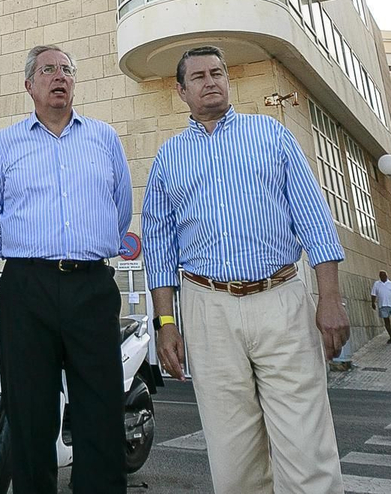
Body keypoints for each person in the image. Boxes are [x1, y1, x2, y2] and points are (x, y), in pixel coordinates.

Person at [142, 46, 348, 494]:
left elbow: (314, 219)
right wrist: (165, 323)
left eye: (217, 72)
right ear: (181, 90)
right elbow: (158, 248)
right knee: (233, 456)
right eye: (198, 76)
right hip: (207, 307)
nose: (210, 81)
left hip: (282, 300)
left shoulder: (270, 135)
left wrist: (330, 298)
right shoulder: (168, 159)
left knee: (306, 446)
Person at [0, 45, 132, 494]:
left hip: (91, 286)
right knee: (29, 415)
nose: (59, 76)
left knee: (100, 412)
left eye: (66, 69)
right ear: (30, 85)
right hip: (27, 289)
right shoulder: (7, 142)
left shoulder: (103, 137)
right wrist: (26, 250)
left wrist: (86, 246)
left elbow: (119, 211)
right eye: (48, 70)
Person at [369, 270, 391, 343]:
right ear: (379, 276)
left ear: (386, 276)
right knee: (386, 321)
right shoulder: (377, 284)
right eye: (381, 276)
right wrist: (373, 303)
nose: (383, 277)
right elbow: (373, 294)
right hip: (383, 305)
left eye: (384, 275)